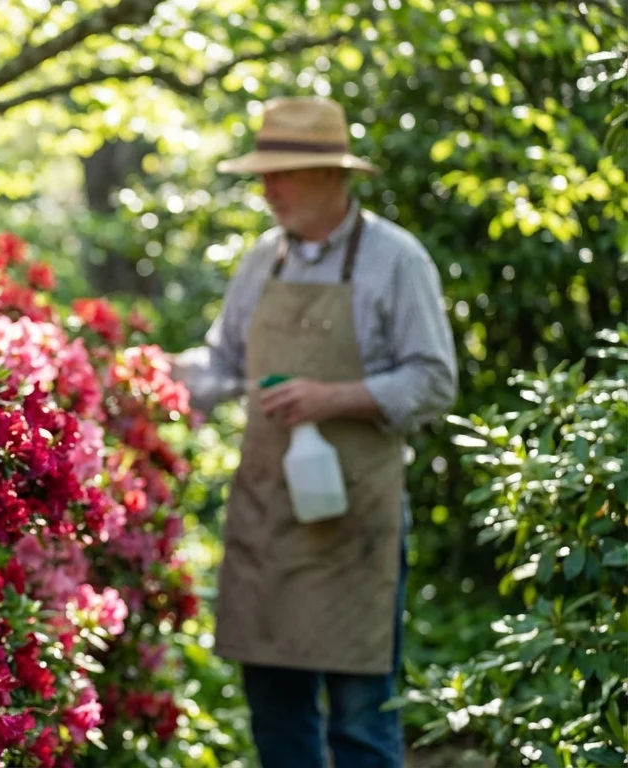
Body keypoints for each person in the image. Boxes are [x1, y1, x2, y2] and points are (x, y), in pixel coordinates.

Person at [170, 97, 458, 767]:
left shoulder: (396, 260)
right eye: (263, 175)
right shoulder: (263, 261)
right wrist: (158, 373)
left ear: (333, 175)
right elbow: (223, 363)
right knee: (276, 716)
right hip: (269, 518)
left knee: (360, 722)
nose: (267, 190)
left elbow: (435, 381)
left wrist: (337, 396)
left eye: (283, 174)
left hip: (356, 525)